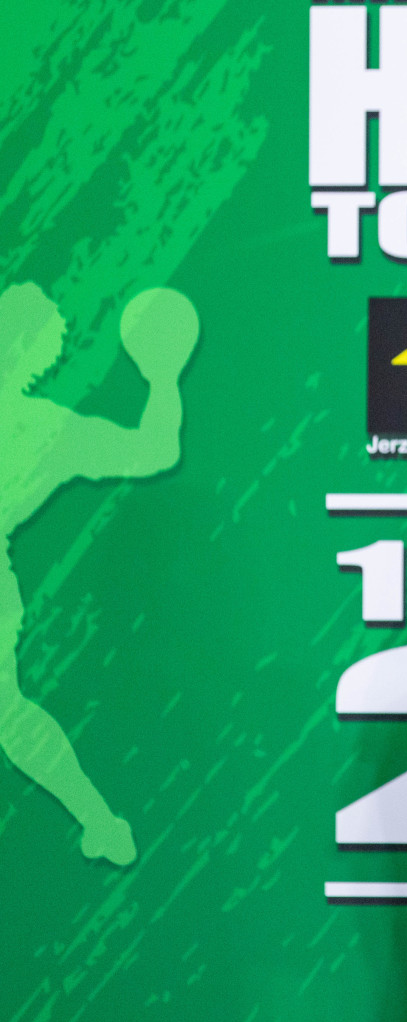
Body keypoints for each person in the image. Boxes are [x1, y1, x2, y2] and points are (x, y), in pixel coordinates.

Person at [0, 283, 199, 867]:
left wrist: (164, 373)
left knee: (9, 714)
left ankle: (100, 821)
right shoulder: (46, 429)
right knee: (9, 714)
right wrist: (162, 377)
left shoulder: (48, 430)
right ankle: (100, 822)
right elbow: (155, 449)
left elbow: (154, 453)